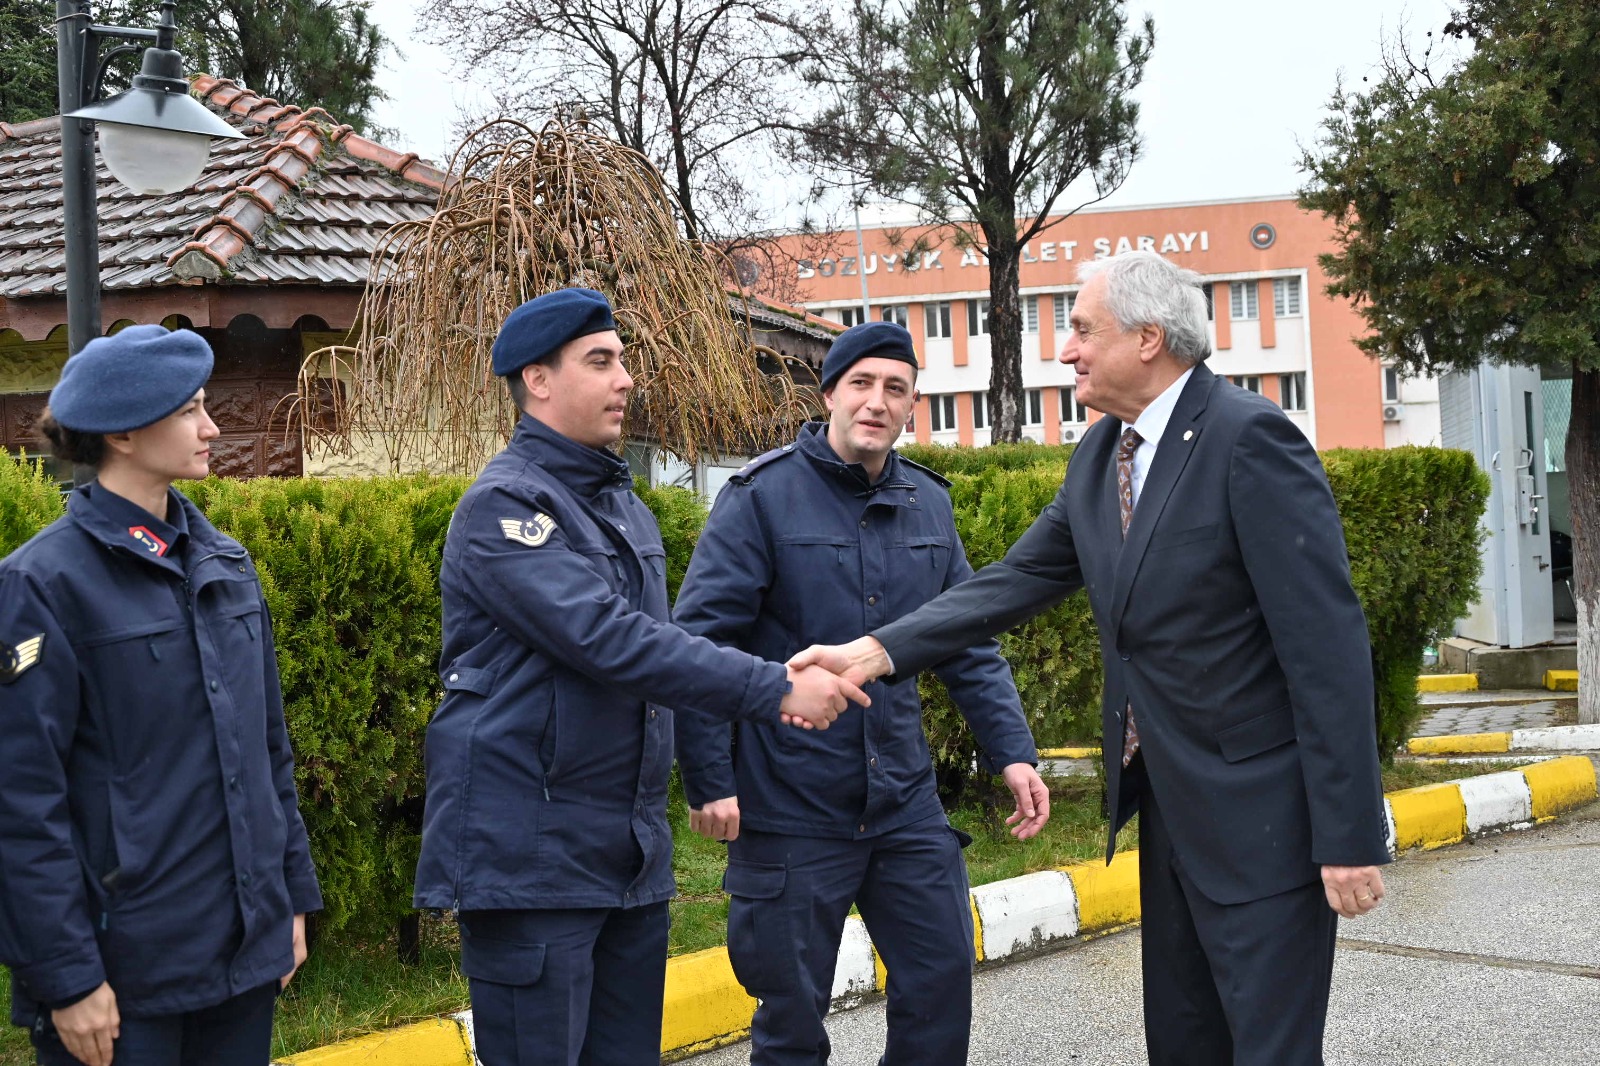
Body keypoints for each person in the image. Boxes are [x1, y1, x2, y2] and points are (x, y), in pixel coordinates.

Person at [793, 252, 1391, 1065]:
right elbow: (1015, 581)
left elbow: (1327, 649)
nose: (1066, 350)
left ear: (1148, 339)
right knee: (1183, 1044)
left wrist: (1349, 834)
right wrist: (874, 652)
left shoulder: (1249, 438)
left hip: (1266, 823)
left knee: (1270, 1050)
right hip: (1170, 813)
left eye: (1080, 330)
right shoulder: (1104, 452)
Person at [412, 288, 870, 1066]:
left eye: (623, 360)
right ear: (538, 380)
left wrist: (710, 770)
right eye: (600, 361)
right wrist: (774, 687)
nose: (625, 379)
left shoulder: (621, 507)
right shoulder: (506, 508)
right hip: (532, 861)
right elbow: (613, 642)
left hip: (627, 857)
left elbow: (667, 652)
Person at [672, 321, 1049, 1065]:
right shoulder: (760, 498)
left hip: (903, 802)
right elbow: (701, 649)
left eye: (895, 389)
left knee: (940, 987)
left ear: (912, 405)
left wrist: (1013, 752)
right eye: (862, 384)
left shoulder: (928, 504)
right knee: (791, 1020)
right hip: (790, 806)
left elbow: (965, 640)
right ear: (830, 394)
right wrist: (711, 780)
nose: (877, 402)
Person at [0, 325, 323, 1066]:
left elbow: (267, 753)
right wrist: (66, 977)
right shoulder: (41, 585)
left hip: (242, 959)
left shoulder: (226, 566)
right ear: (121, 434)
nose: (212, 428)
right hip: (125, 977)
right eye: (189, 411)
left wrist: (289, 901)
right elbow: (21, 801)